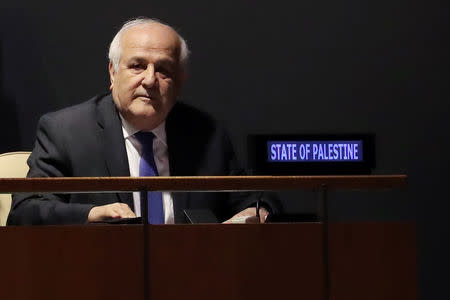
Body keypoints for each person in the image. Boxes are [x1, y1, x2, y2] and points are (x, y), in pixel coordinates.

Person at [7, 18, 272, 225]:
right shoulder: (66, 131)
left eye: (164, 70)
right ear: (113, 73)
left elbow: (257, 200)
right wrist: (90, 215)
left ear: (180, 82)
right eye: (137, 66)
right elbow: (25, 211)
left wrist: (256, 212)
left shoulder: (206, 134)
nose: (149, 80)